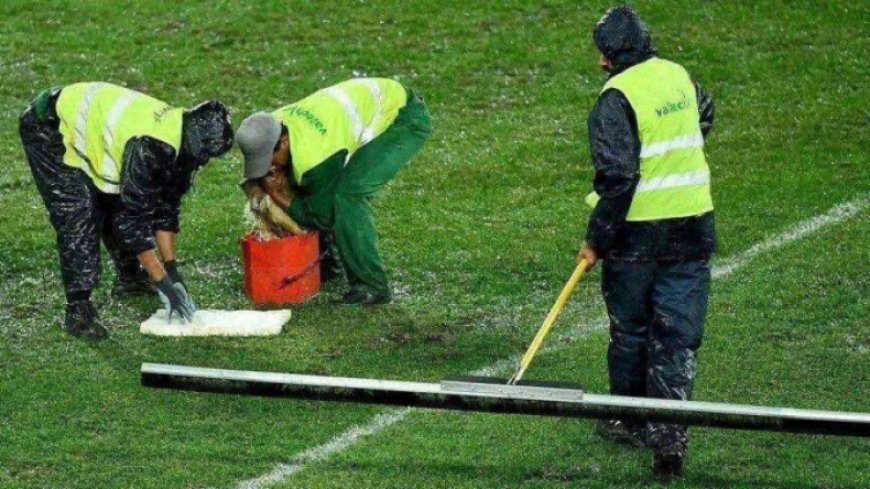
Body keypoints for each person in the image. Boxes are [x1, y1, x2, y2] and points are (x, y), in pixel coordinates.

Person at [577, 6, 716, 478]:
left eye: (602, 54)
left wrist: (595, 239)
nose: (600, 63)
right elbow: (705, 113)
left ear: (612, 55)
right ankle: (671, 432)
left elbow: (618, 177)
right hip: (693, 226)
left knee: (632, 328)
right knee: (677, 335)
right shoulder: (678, 74)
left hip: (638, 235)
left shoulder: (615, 98)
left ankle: (629, 418)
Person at [19, 82, 234, 340]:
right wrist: (161, 281)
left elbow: (166, 206)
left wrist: (171, 269)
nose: (205, 161)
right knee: (78, 210)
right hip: (49, 126)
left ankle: (130, 277)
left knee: (119, 198)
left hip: (92, 128)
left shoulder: (182, 141)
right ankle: (78, 309)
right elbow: (133, 219)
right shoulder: (150, 146)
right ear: (194, 141)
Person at [236, 77, 432, 305]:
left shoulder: (314, 156)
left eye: (268, 161)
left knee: (348, 195)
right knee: (302, 181)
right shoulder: (271, 125)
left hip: (402, 118)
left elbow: (323, 215)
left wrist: (278, 194)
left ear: (284, 143)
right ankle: (328, 262)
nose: (268, 169)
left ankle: (371, 286)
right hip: (370, 105)